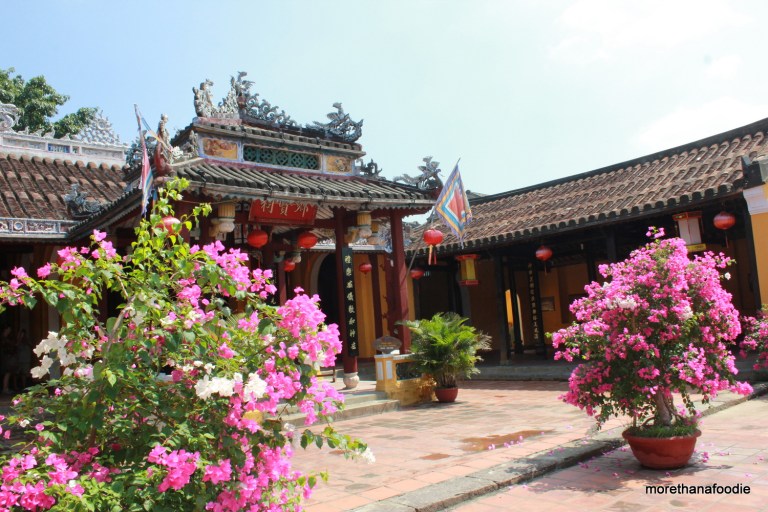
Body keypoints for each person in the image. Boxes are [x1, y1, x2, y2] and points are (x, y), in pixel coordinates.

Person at [1, 326, 18, 394]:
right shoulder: (3, 338)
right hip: (6, 357)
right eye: (8, 329)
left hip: (7, 356)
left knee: (8, 372)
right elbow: (11, 345)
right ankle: (5, 388)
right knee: (7, 372)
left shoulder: (6, 338)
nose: (9, 331)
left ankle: (6, 388)